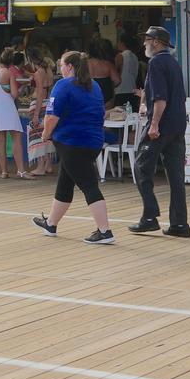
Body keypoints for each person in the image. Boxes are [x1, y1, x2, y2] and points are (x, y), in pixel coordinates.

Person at [32, 51, 116, 244]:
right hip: (93, 141)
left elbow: (52, 116)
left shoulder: (63, 85)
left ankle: (105, 231)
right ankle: (51, 224)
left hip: (71, 142)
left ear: (69, 66)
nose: (59, 68)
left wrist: (45, 134)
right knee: (65, 181)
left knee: (89, 185)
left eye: (61, 64)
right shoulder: (93, 85)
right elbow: (101, 113)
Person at [131, 26, 190, 238]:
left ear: (156, 42)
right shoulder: (173, 62)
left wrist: (154, 124)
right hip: (177, 124)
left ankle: (149, 216)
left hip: (162, 125)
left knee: (140, 166)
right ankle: (180, 224)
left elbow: (161, 97)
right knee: (176, 175)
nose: (144, 43)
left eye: (147, 40)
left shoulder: (155, 62)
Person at [0, 49, 33, 179]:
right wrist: (24, 85)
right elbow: (14, 94)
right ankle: (21, 170)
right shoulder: (8, 73)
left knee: (0, 138)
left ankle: (4, 171)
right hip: (7, 106)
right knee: (16, 137)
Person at [26, 48, 56, 176]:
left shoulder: (39, 73)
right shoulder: (49, 69)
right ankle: (48, 165)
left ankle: (40, 167)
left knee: (38, 136)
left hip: (39, 104)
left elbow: (39, 94)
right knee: (48, 134)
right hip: (49, 103)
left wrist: (36, 114)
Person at [88, 38, 120, 110]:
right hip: (106, 98)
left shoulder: (84, 64)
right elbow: (117, 81)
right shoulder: (107, 64)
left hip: (88, 97)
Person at [114, 33, 141, 112]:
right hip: (132, 91)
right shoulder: (135, 57)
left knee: (120, 115)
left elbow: (115, 73)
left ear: (122, 43)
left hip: (121, 91)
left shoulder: (120, 56)